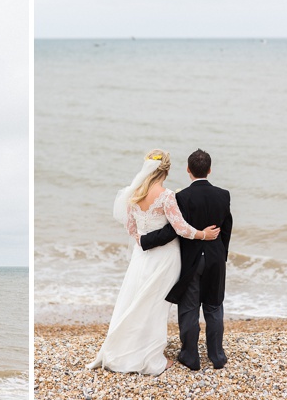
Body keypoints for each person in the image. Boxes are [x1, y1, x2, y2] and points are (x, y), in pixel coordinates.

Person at [86, 149, 220, 375]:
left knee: (135, 301)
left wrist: (142, 240)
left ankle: (126, 347)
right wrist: (204, 235)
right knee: (156, 306)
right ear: (166, 170)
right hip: (166, 258)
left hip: (142, 256)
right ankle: (150, 356)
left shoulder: (134, 195)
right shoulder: (167, 196)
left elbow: (131, 229)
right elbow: (181, 229)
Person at [140, 148, 233, 370]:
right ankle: (217, 356)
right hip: (215, 258)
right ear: (210, 170)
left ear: (188, 170)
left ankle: (191, 356)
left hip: (191, 260)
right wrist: (222, 254)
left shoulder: (181, 197)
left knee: (190, 308)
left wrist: (145, 241)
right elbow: (227, 227)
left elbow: (174, 230)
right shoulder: (224, 195)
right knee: (214, 306)